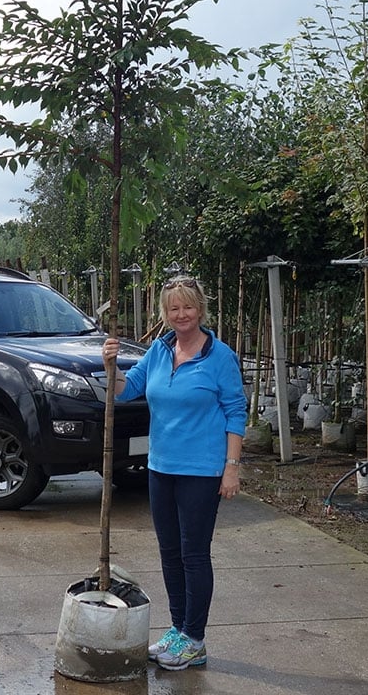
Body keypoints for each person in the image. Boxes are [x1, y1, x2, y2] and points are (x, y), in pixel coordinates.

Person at [103, 275, 247, 672]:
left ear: (200, 309)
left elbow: (236, 411)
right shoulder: (159, 351)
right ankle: (179, 628)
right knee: (169, 554)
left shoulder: (220, 357)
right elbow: (125, 389)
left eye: (187, 307)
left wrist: (231, 468)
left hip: (202, 470)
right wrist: (110, 363)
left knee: (194, 554)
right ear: (164, 314)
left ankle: (195, 639)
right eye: (172, 309)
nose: (180, 315)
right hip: (160, 467)